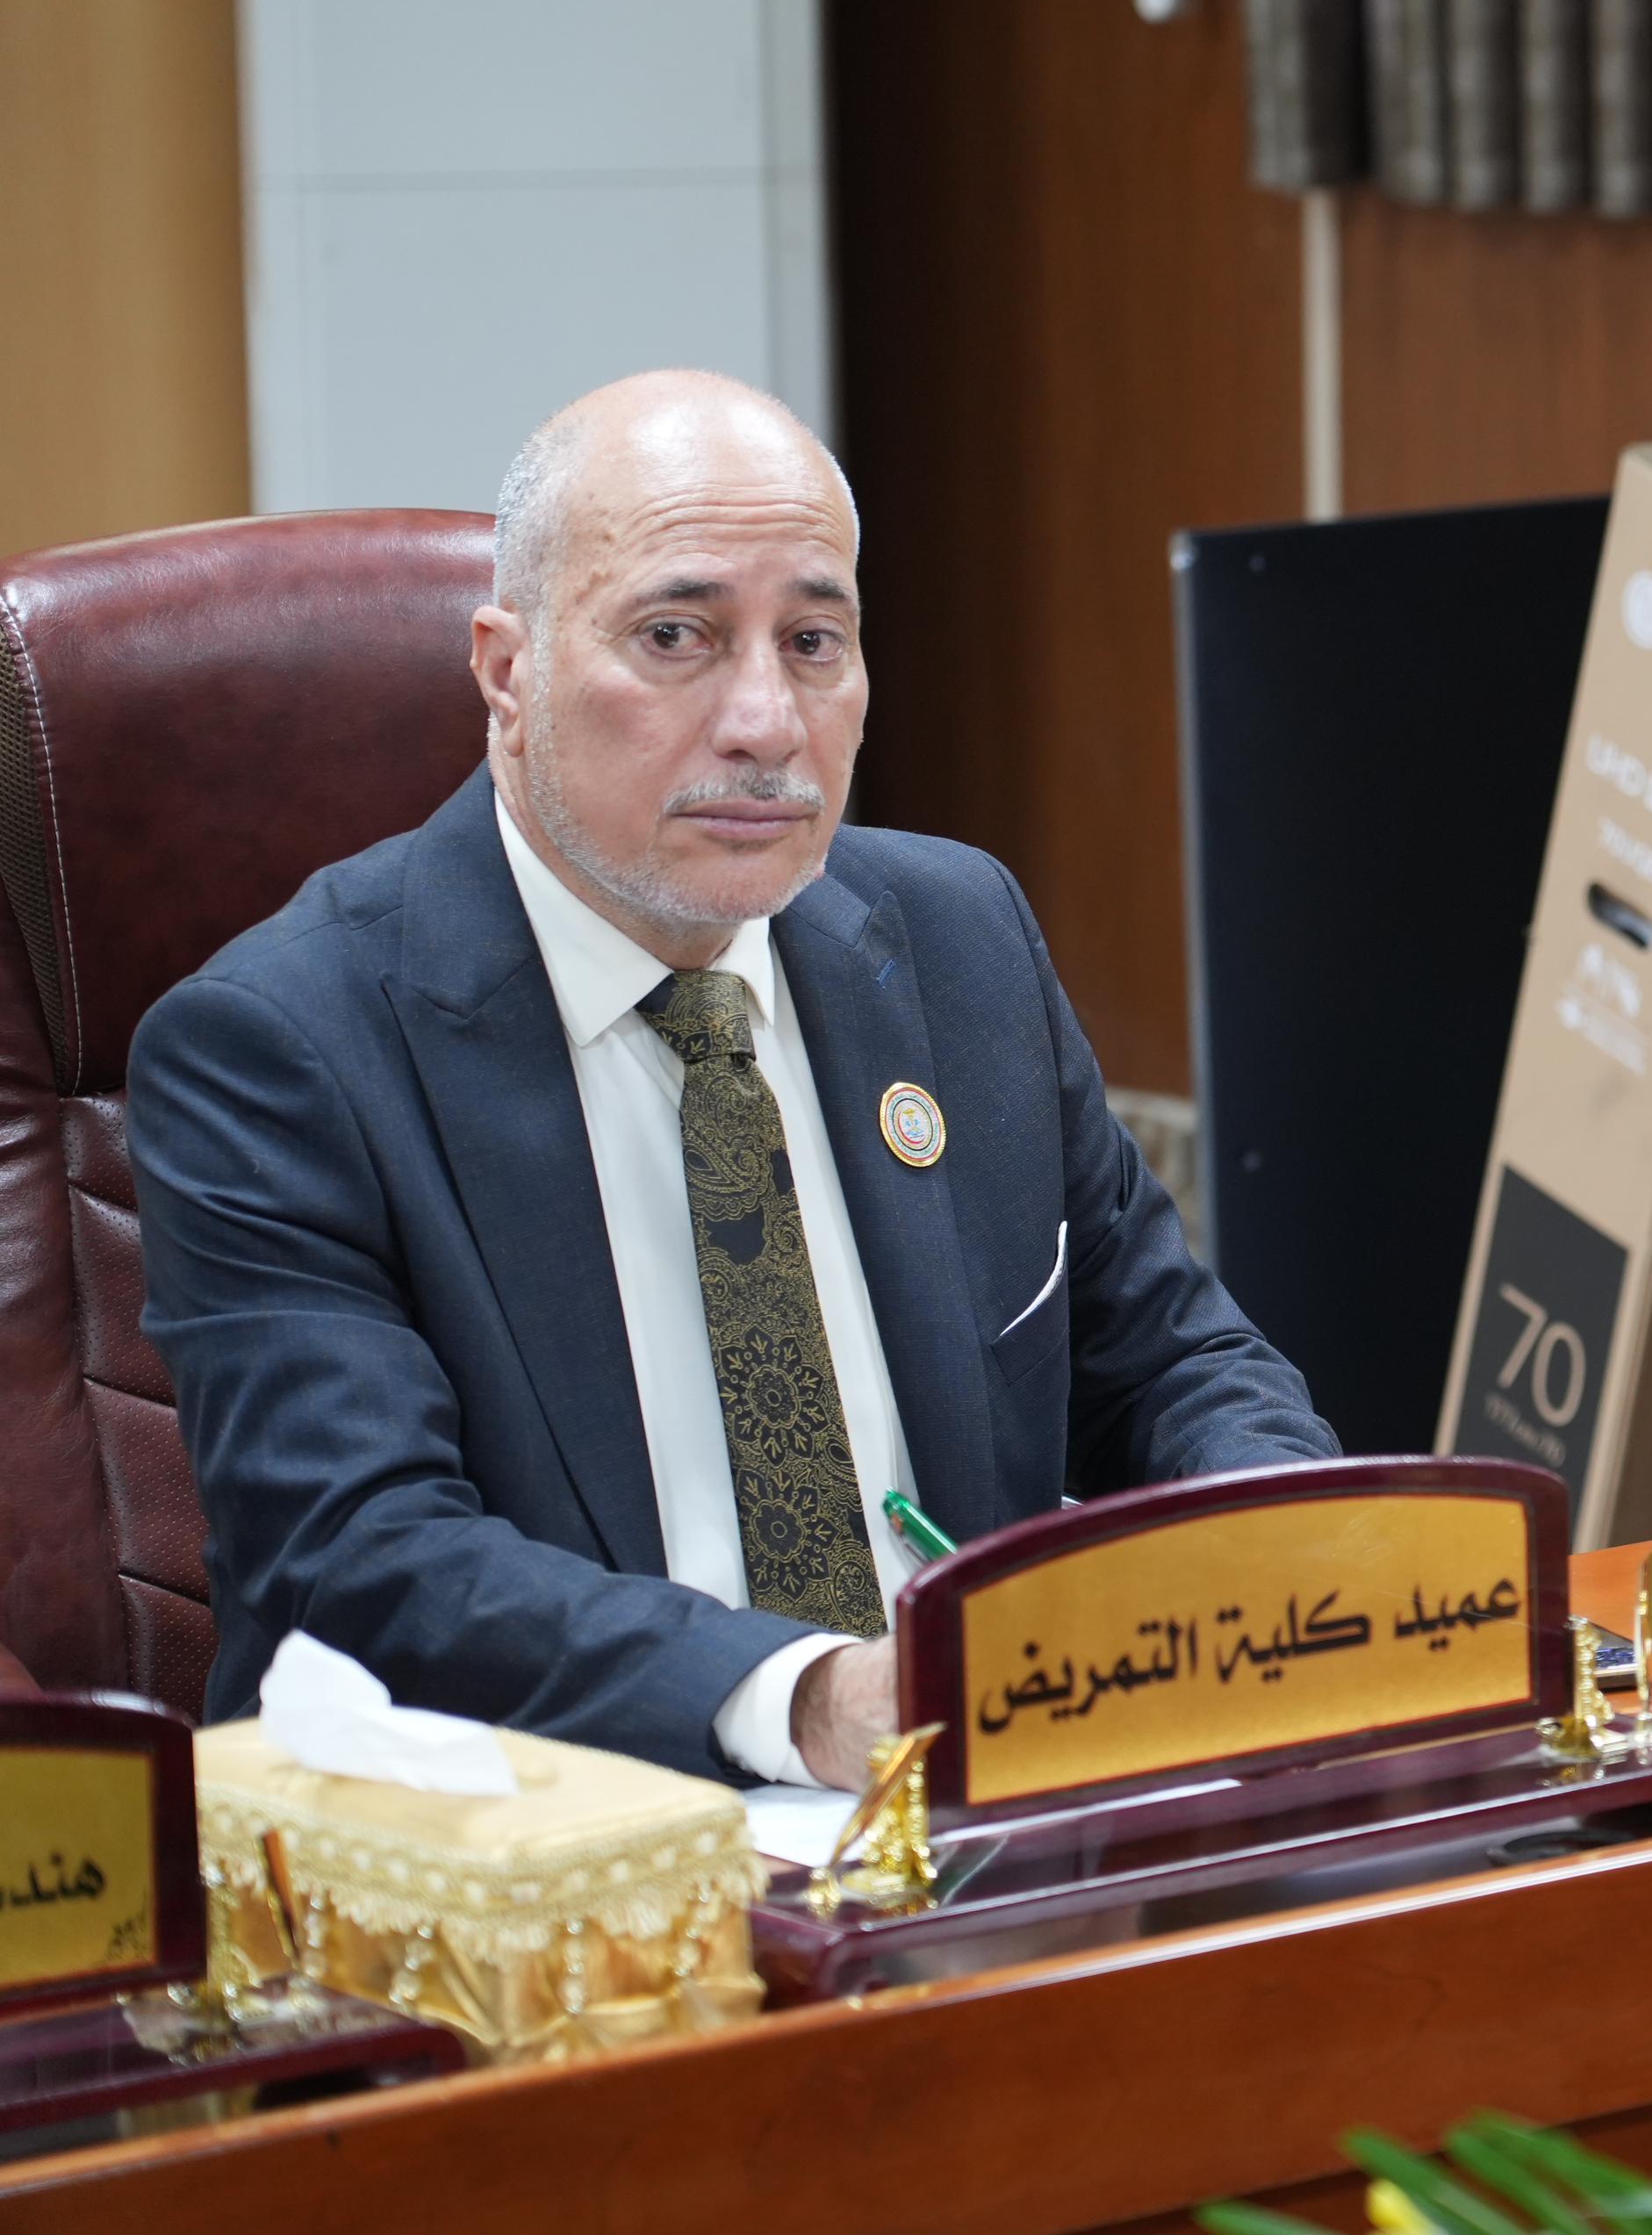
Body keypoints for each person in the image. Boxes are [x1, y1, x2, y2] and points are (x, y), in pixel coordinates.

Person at [132, 370, 1336, 1789]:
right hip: (560, 1844)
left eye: (813, 641)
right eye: (676, 637)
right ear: (508, 673)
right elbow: (361, 1560)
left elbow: (1174, 1364)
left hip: (974, 1817)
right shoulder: (279, 1047)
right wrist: (811, 1698)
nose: (766, 722)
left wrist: (1307, 1552)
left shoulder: (956, 941)